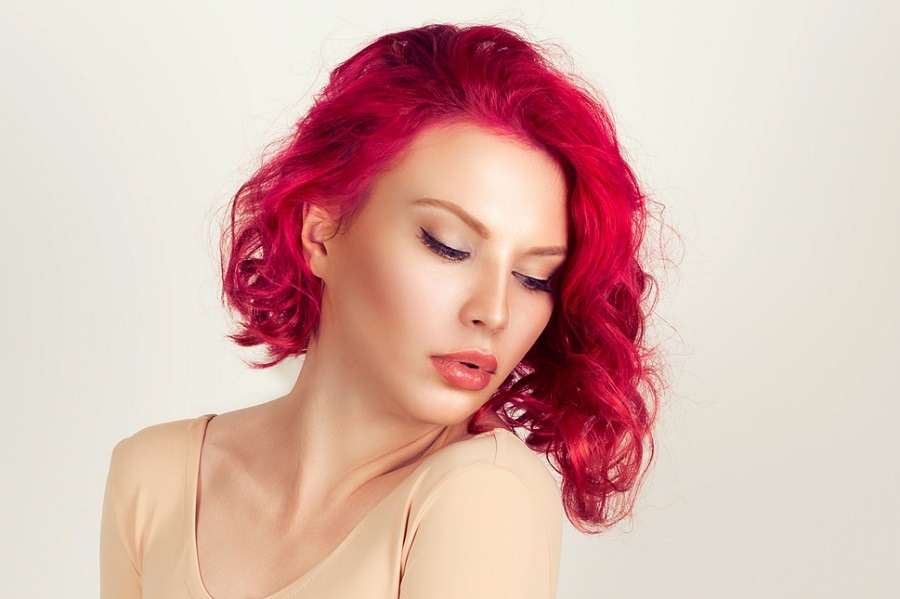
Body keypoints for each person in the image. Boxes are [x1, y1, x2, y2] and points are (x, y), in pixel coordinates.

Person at [100, 23, 659, 598]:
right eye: (448, 245)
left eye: (533, 277)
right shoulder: (156, 477)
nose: (493, 311)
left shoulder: (482, 495)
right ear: (320, 236)